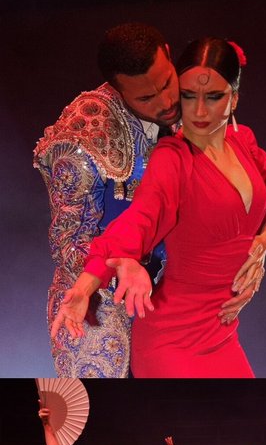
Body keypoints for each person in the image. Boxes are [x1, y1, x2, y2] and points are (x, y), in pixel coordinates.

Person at [52, 38, 266, 378]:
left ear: (235, 98)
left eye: (213, 97)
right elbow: (139, 219)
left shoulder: (245, 143)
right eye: (189, 96)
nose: (197, 111)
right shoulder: (173, 157)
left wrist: (261, 246)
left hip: (222, 332)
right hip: (172, 338)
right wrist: (83, 288)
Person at [35, 23, 181, 380]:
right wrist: (119, 265)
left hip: (173, 288)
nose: (166, 102)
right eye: (146, 98)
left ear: (169, 54)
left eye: (167, 83)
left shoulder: (193, 105)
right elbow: (67, 244)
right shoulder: (82, 142)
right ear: (118, 91)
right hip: (102, 300)